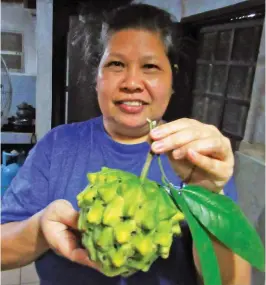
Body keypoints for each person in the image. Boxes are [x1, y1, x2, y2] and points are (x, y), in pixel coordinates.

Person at [1, 3, 250, 285]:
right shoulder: (57, 145)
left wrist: (208, 197)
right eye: (116, 64)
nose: (132, 82)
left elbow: (235, 282)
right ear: (97, 78)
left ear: (172, 80)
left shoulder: (198, 159)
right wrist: (40, 230)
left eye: (150, 66)